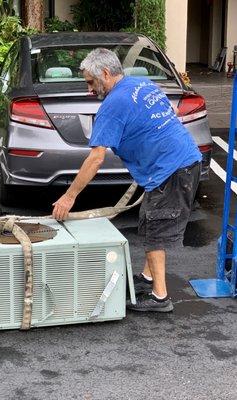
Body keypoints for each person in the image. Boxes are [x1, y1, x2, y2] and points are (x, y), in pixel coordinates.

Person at [52, 48, 202, 313]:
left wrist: (69, 196)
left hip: (171, 168)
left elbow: (96, 158)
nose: (89, 90)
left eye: (90, 82)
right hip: (182, 160)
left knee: (155, 231)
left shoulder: (113, 105)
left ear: (106, 74)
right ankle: (147, 278)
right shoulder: (141, 83)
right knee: (150, 221)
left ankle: (160, 297)